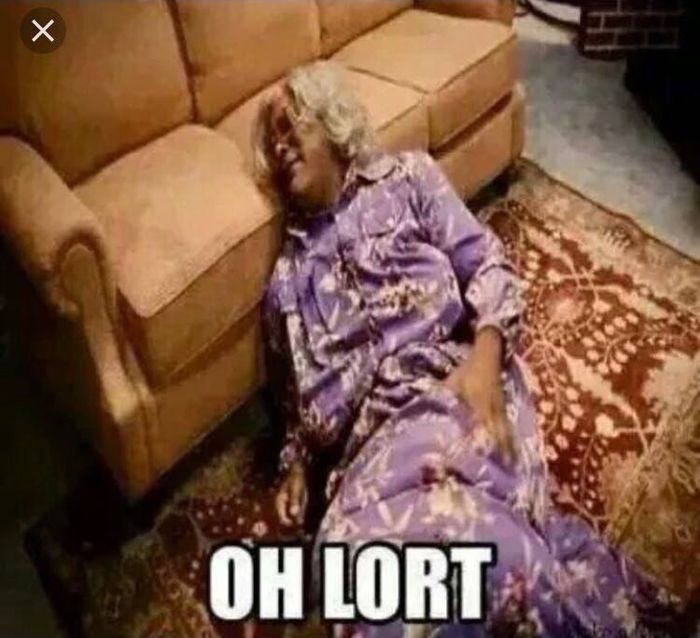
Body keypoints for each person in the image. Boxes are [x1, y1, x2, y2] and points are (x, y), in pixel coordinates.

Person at [253, 61, 683, 637]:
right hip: (368, 451)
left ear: (329, 121)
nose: (281, 146)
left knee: (480, 560)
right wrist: (296, 469)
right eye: (272, 141)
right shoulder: (286, 281)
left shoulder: (407, 179)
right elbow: (295, 406)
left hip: (450, 385)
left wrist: (485, 359)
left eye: (290, 126)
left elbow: (486, 263)